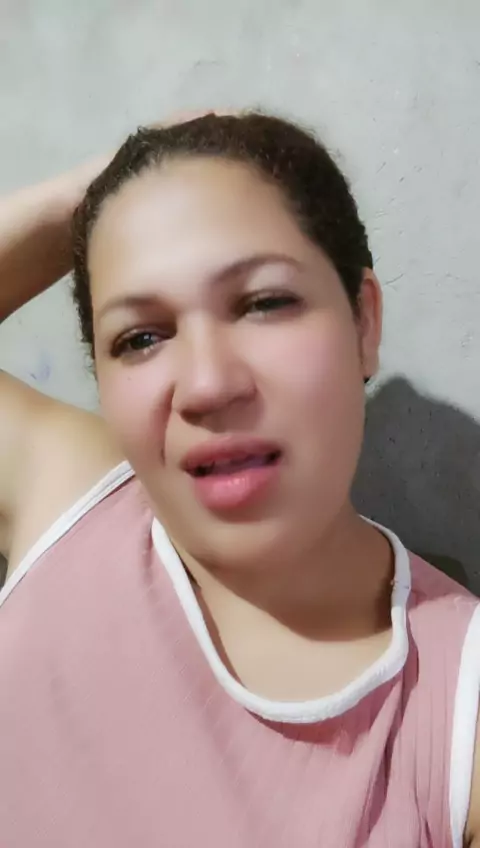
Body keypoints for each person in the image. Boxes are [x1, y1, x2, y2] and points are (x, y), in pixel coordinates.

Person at [0, 112, 478, 848]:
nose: (207, 385)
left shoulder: (455, 712)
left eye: (264, 303)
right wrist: (99, 191)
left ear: (363, 322)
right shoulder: (67, 506)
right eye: (141, 337)